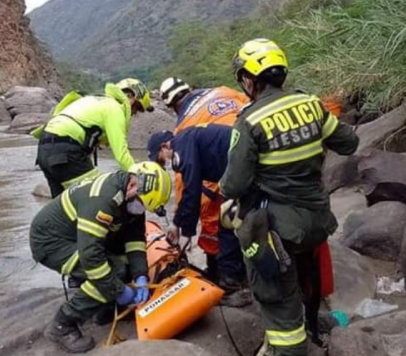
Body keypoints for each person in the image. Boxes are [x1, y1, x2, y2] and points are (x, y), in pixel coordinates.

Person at [220, 38, 359, 356]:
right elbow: (348, 143)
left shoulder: (249, 121)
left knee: (277, 294)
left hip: (279, 229)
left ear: (248, 79)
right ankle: (313, 326)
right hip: (318, 220)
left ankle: (290, 346)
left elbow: (232, 186)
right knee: (309, 276)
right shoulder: (310, 103)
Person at [30, 161, 172, 353]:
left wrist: (141, 276)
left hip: (79, 237)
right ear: (132, 185)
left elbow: (135, 241)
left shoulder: (132, 197)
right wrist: (118, 291)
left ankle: (103, 310)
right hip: (51, 241)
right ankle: (63, 324)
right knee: (111, 273)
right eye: (141, 204)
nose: (141, 210)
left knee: (126, 267)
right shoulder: (103, 200)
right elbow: (92, 259)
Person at [147, 125, 250, 306]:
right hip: (240, 167)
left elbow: (193, 192)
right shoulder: (187, 140)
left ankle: (231, 286)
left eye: (161, 159)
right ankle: (241, 276)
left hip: (239, 171)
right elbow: (189, 191)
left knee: (226, 226)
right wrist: (176, 223)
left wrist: (186, 234)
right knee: (234, 224)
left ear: (165, 146)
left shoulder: (181, 150)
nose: (164, 164)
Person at [156, 77, 249, 273]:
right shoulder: (222, 90)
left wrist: (182, 227)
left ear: (172, 105)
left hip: (232, 168)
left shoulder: (183, 131)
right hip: (254, 145)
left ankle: (227, 277)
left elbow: (188, 186)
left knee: (219, 221)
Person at [36, 78, 154, 198]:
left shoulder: (95, 100)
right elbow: (121, 154)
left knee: (63, 207)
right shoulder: (114, 108)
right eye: (137, 108)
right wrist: (140, 178)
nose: (135, 113)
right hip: (64, 150)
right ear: (130, 96)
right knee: (98, 197)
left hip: (44, 149)